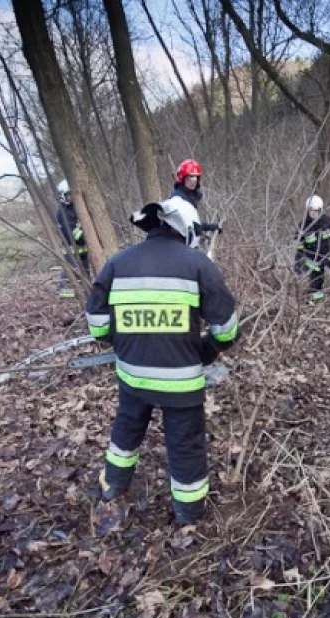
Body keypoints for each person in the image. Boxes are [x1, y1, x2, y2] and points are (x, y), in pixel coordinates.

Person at [85, 196, 239, 525]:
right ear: (186, 228)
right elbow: (226, 329)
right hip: (181, 382)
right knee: (185, 446)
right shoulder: (198, 265)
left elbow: (97, 325)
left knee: (125, 431)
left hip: (132, 377)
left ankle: (112, 485)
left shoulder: (117, 263)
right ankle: (188, 513)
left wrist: (123, 343)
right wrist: (207, 350)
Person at [295, 194, 330, 303]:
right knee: (315, 283)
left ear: (321, 210)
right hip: (313, 260)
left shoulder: (328, 221)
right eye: (311, 210)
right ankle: (317, 303)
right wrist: (298, 262)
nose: (314, 213)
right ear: (307, 210)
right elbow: (299, 245)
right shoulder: (303, 226)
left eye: (316, 211)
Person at [55, 179, 91, 299]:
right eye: (68, 195)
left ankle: (85, 295)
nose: (71, 198)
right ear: (62, 195)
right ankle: (67, 298)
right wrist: (84, 225)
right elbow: (73, 236)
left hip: (82, 250)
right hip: (71, 250)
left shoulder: (73, 208)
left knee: (85, 274)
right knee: (70, 275)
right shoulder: (63, 212)